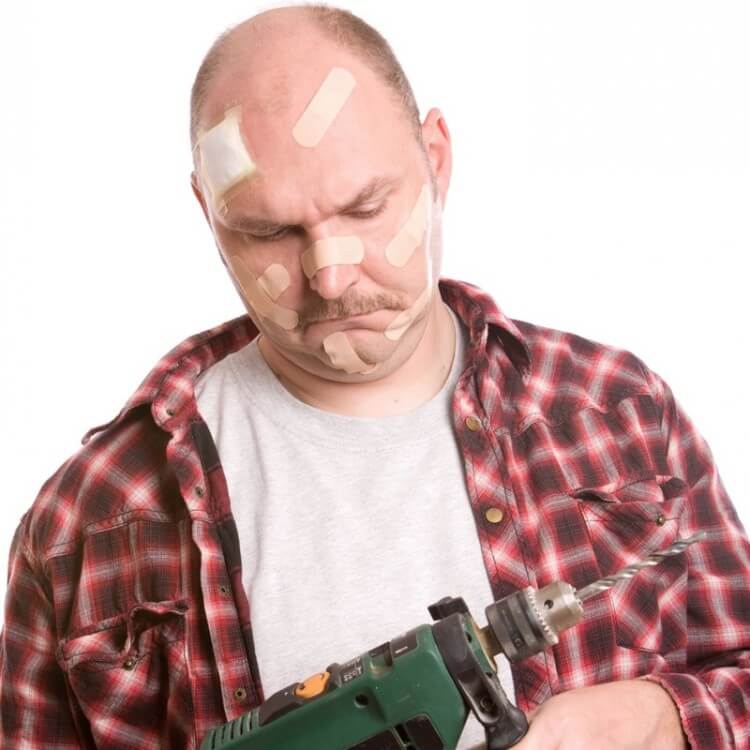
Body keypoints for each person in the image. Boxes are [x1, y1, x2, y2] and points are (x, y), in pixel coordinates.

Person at [1, 5, 748, 749]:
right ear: (207, 210)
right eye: (268, 230)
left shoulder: (614, 414)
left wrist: (659, 719)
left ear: (436, 157)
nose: (330, 275)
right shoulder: (89, 521)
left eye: (365, 207)